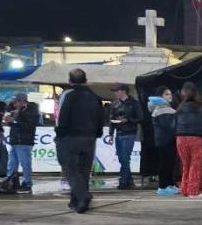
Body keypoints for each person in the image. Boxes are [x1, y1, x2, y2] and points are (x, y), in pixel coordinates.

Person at [56, 69, 103, 213]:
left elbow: (61, 116)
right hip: (89, 137)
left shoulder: (68, 95)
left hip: (70, 137)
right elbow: (100, 117)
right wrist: (97, 133)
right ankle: (77, 201)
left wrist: (60, 134)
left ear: (69, 81)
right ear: (86, 80)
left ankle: (83, 196)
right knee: (84, 170)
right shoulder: (95, 97)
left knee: (70, 169)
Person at [174, 83, 202, 198]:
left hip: (180, 138)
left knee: (185, 165)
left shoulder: (180, 108)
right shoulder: (201, 108)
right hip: (196, 138)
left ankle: (185, 190)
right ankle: (193, 191)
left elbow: (174, 123)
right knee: (196, 165)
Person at [105, 83, 141, 190]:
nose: (115, 93)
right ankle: (128, 180)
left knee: (125, 157)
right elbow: (111, 119)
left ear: (123, 91)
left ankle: (124, 181)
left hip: (130, 132)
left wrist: (128, 120)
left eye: (117, 91)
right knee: (122, 158)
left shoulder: (134, 103)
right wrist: (111, 134)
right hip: (119, 133)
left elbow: (140, 117)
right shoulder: (114, 104)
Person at [5, 92, 38, 192]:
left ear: (22, 101)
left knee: (25, 163)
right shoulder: (17, 110)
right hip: (15, 140)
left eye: (16, 102)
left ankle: (27, 183)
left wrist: (14, 121)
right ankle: (11, 182)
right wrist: (10, 122)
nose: (14, 104)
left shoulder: (31, 110)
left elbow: (29, 126)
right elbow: (17, 125)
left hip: (24, 141)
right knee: (12, 164)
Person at [150, 89, 180, 194]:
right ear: (160, 96)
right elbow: (168, 126)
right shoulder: (162, 109)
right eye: (167, 94)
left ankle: (170, 184)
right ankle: (163, 186)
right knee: (165, 164)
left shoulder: (166, 107)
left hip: (168, 140)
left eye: (170, 94)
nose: (170, 96)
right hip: (165, 141)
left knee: (170, 164)